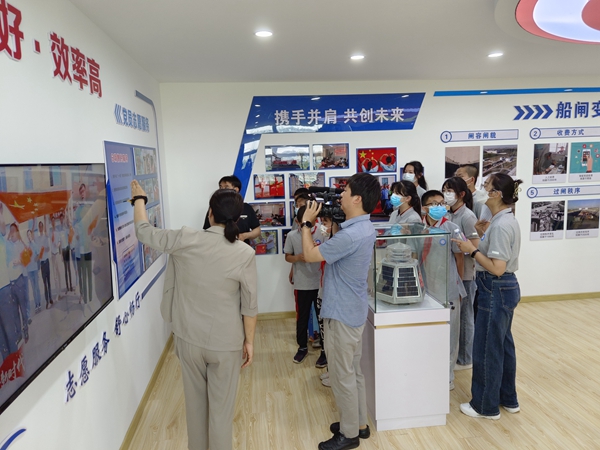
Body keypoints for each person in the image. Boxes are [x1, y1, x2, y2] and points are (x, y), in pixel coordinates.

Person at [132, 181, 258, 450]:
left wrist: (139, 199)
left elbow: (144, 231)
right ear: (237, 219)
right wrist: (249, 342)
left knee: (195, 410)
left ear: (210, 213)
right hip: (226, 343)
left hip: (188, 339)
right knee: (221, 415)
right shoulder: (244, 253)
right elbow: (249, 306)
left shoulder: (185, 238)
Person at [301, 172, 380, 450]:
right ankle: (359, 423)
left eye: (345, 191)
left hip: (341, 314)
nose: (341, 195)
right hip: (353, 310)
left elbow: (310, 256)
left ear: (357, 198)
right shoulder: (363, 228)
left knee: (341, 375)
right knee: (353, 371)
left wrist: (306, 224)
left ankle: (348, 434)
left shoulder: (351, 235)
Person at [452, 173, 523, 420]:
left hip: (495, 286)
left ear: (496, 195)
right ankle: (507, 398)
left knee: (486, 347)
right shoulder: (501, 221)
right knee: (502, 344)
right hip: (502, 288)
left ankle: (485, 405)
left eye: (486, 187)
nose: (482, 191)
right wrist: (482, 235)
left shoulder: (502, 225)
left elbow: (497, 267)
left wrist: (471, 250)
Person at [421, 190, 466, 391]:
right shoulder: (419, 228)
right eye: (434, 203)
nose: (439, 207)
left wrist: (458, 284)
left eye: (441, 203)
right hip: (427, 289)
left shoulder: (451, 228)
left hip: (448, 289)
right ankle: (429, 369)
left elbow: (459, 258)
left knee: (450, 334)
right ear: (424, 208)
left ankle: (448, 375)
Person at [442, 177, 479, 371]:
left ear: (461, 194)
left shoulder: (467, 216)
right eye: (445, 190)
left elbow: (475, 247)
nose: (446, 194)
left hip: (464, 274)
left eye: (450, 191)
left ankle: (465, 358)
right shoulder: (449, 214)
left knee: (465, 317)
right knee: (457, 318)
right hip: (452, 272)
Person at [284, 206, 327, 367]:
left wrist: (316, 253)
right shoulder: (292, 236)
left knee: (322, 319)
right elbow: (288, 257)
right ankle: (302, 347)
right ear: (297, 222)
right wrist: (297, 258)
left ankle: (325, 350)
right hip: (302, 283)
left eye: (311, 221)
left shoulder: (323, 233)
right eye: (303, 223)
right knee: (302, 317)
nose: (308, 225)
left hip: (320, 283)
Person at [202, 175, 261, 244]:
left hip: (241, 247)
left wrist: (244, 236)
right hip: (218, 246)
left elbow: (257, 230)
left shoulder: (246, 207)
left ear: (236, 189)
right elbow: (207, 230)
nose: (222, 190)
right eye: (220, 187)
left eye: (226, 187)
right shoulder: (214, 207)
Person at [6, 223, 30, 342]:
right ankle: (19, 333)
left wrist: (20, 261)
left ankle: (26, 330)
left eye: (13, 231)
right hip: (11, 284)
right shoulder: (7, 245)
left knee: (23, 308)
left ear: (17, 232)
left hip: (19, 280)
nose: (12, 233)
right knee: (15, 311)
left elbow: (27, 258)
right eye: (10, 231)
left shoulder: (21, 245)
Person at [36, 220, 52, 309]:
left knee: (49, 281)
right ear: (39, 228)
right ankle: (47, 301)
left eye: (42, 226)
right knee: (44, 283)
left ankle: (50, 298)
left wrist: (44, 249)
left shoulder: (45, 237)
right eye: (40, 226)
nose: (41, 228)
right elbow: (37, 252)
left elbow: (48, 248)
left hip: (47, 261)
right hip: (42, 263)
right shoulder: (37, 239)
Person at [25, 229, 42, 314]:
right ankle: (36, 304)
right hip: (29, 270)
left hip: (35, 269)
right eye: (27, 235)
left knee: (36, 287)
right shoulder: (27, 246)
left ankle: (39, 303)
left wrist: (37, 266)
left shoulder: (35, 244)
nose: (29, 236)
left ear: (31, 235)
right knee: (33, 287)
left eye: (30, 235)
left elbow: (39, 255)